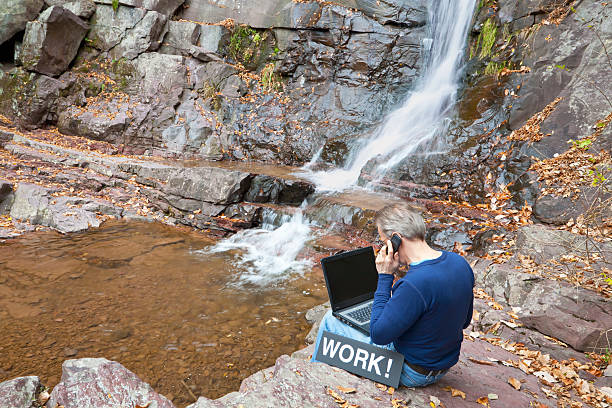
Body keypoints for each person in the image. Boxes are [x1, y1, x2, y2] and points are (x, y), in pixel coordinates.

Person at [312, 202, 474, 387]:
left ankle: (315, 382)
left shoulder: (414, 284)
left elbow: (379, 336)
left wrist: (385, 276)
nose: (383, 248)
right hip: (443, 366)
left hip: (411, 372)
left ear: (396, 240)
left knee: (329, 321)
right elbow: (465, 320)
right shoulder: (460, 263)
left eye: (383, 241)